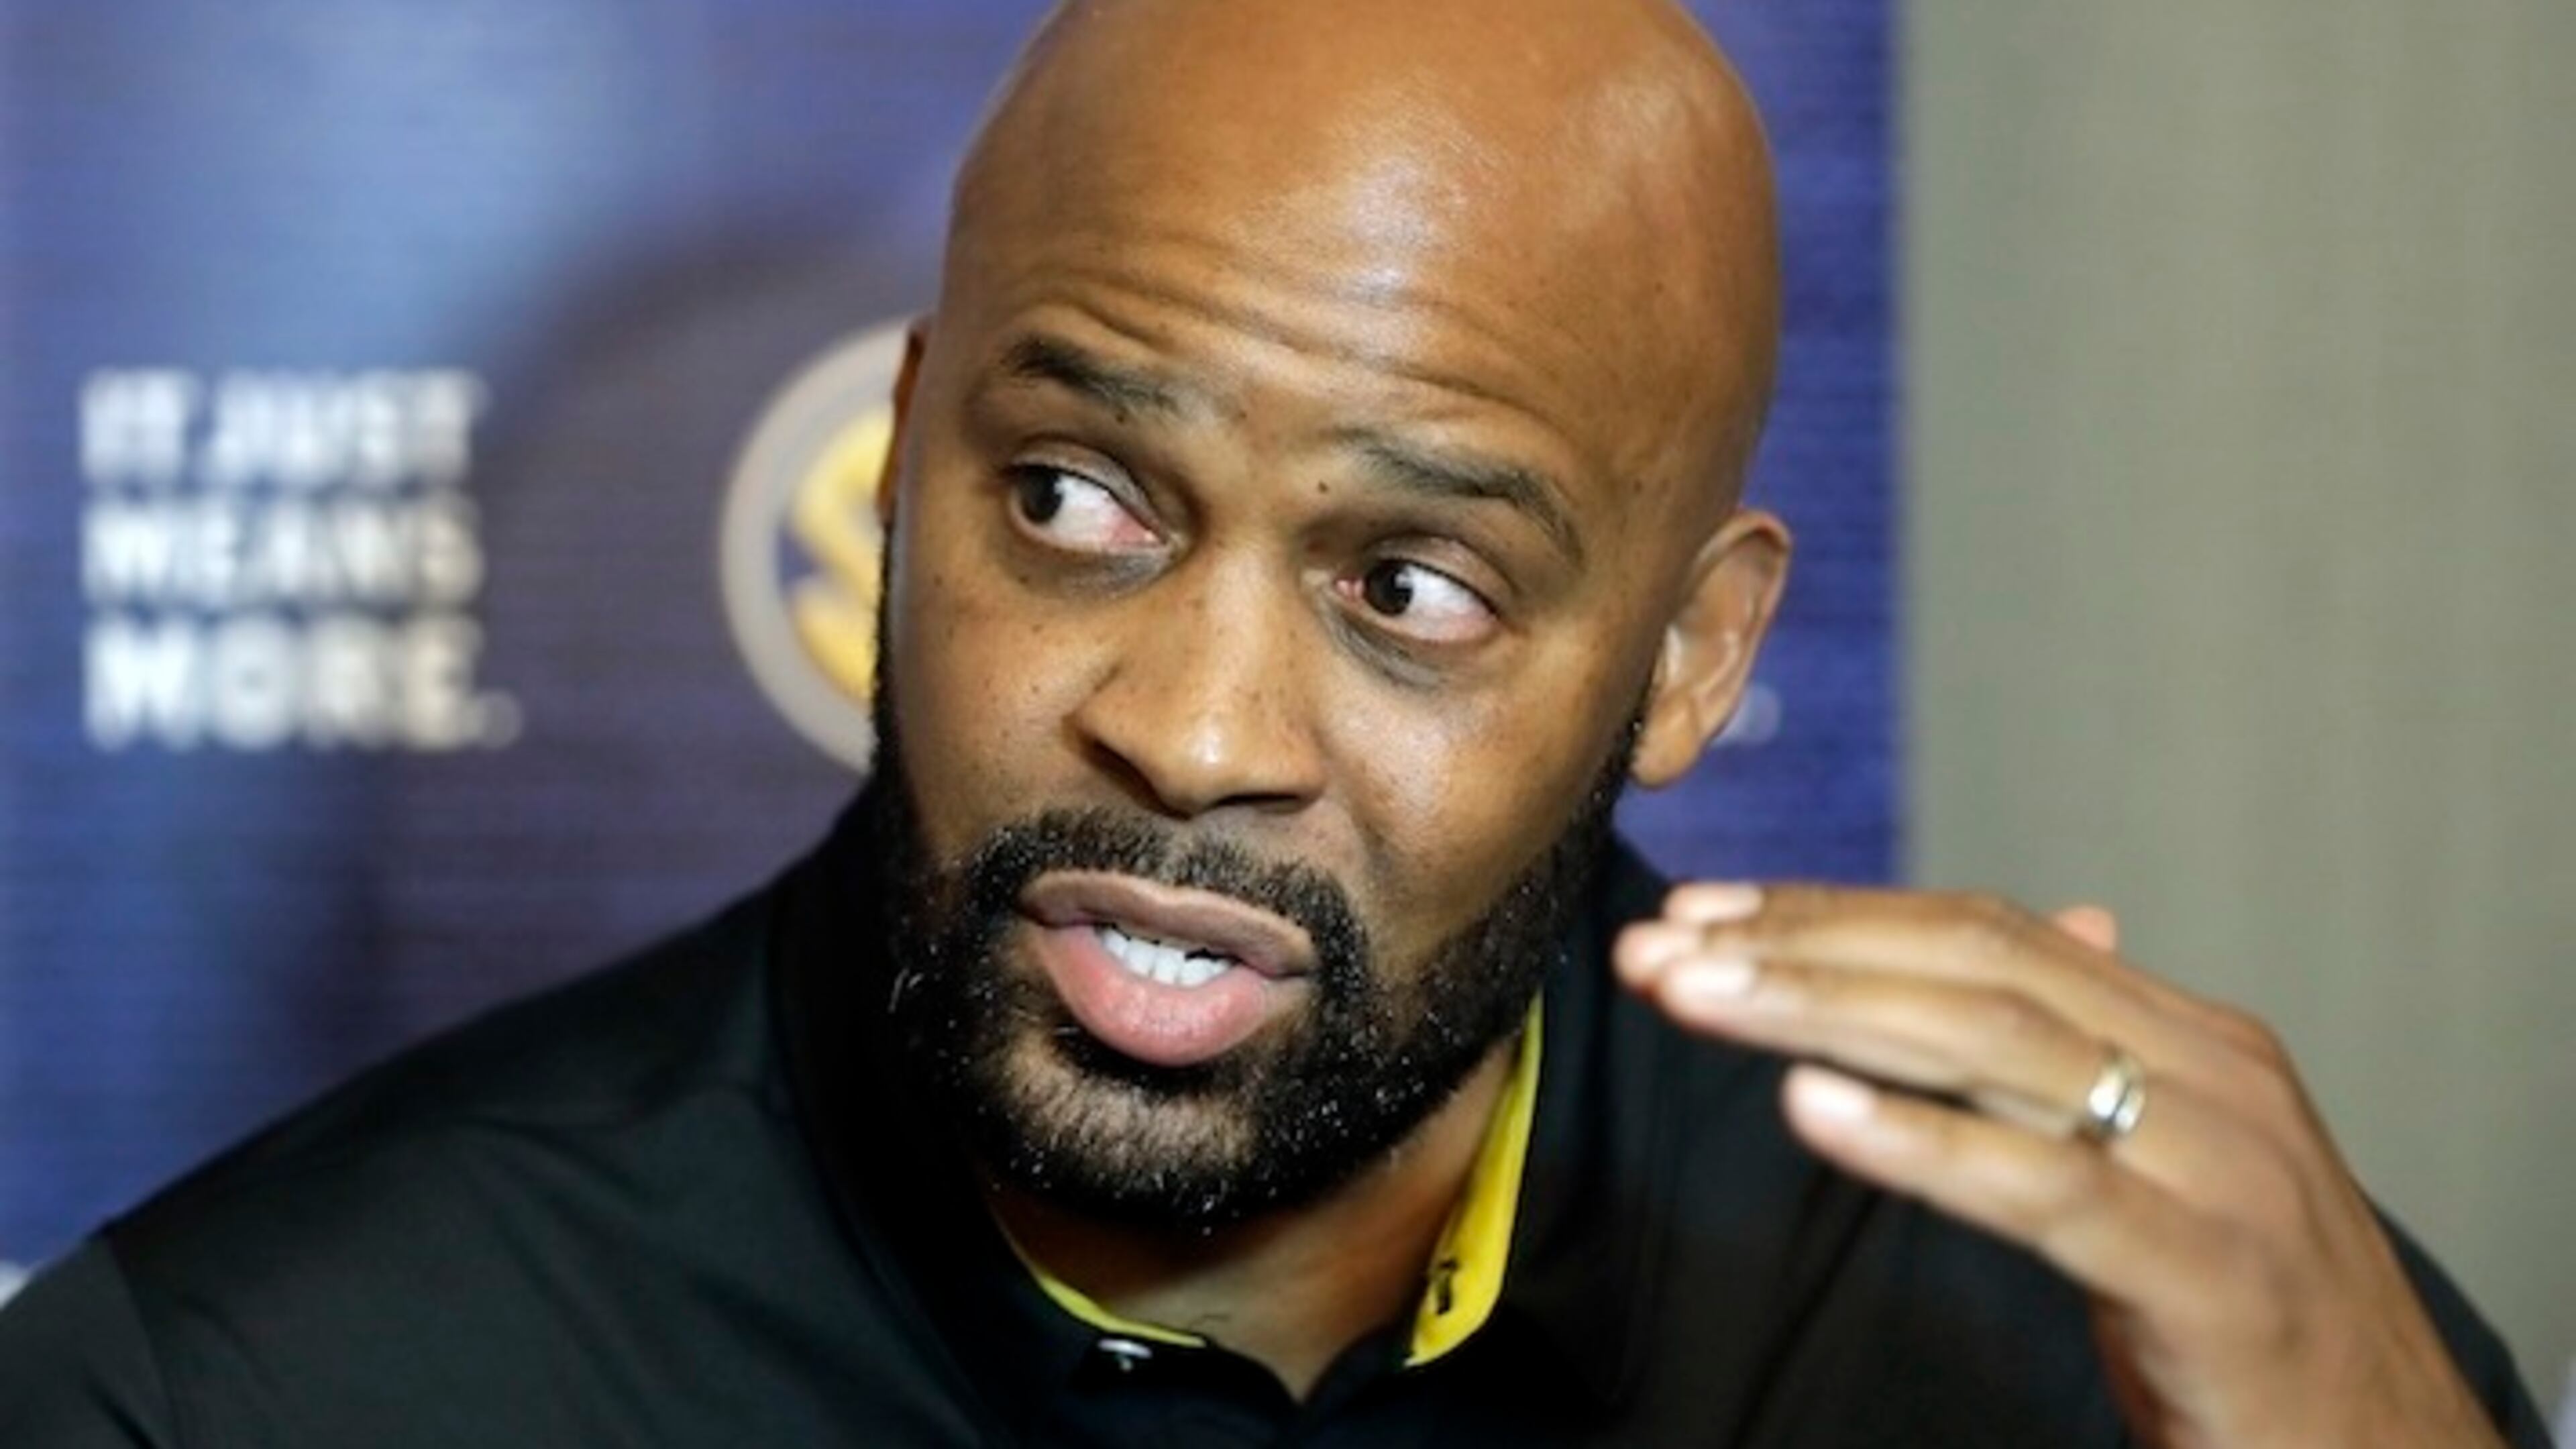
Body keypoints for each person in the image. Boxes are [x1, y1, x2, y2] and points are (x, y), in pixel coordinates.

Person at [0, 0, 2551, 1443]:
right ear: (906, 476)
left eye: (1415, 585)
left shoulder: (2102, 1344)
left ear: (1691, 659)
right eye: (1083, 500)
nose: (1196, 730)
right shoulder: (257, 1392)